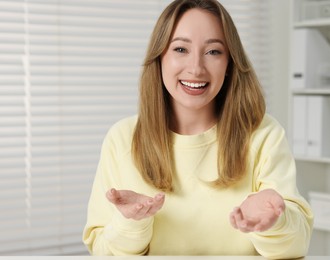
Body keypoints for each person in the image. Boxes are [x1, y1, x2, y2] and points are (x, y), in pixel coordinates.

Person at [82, 0, 313, 258]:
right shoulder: (122, 138)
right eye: (180, 49)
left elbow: (297, 247)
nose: (196, 68)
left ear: (229, 63)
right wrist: (132, 222)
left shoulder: (263, 134)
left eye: (213, 52)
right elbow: (102, 252)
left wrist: (275, 221)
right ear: (159, 58)